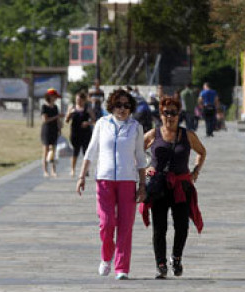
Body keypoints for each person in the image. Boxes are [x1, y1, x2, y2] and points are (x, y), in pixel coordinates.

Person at [76, 88, 148, 280]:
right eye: (118, 105)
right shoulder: (102, 123)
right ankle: (106, 257)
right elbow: (91, 151)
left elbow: (140, 158)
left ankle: (122, 267)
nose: (122, 109)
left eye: (126, 105)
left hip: (127, 180)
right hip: (105, 180)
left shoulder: (136, 127)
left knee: (126, 225)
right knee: (107, 224)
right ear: (111, 106)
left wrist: (142, 184)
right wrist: (82, 176)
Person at [141, 97, 206, 279]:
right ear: (160, 114)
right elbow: (135, 153)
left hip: (181, 186)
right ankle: (160, 265)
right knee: (159, 228)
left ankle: (176, 258)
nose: (170, 116)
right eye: (166, 113)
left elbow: (202, 152)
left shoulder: (188, 135)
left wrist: (195, 171)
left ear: (179, 115)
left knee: (182, 226)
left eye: (173, 113)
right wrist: (146, 170)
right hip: (158, 186)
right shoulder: (153, 134)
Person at [65, 90, 96, 177]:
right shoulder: (72, 107)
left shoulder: (88, 108)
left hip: (86, 133)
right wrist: (69, 114)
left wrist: (88, 123)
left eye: (79, 99)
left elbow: (94, 120)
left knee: (86, 152)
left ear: (83, 100)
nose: (78, 101)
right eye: (76, 99)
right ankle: (73, 169)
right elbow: (66, 121)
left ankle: (86, 170)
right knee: (75, 151)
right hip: (75, 132)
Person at [40, 88, 63, 177]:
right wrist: (57, 116)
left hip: (54, 130)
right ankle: (45, 171)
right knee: (46, 151)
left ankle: (53, 170)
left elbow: (57, 119)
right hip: (46, 130)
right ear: (50, 96)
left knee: (54, 151)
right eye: (55, 96)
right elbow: (45, 120)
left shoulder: (56, 107)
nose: (56, 98)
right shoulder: (44, 107)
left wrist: (60, 126)